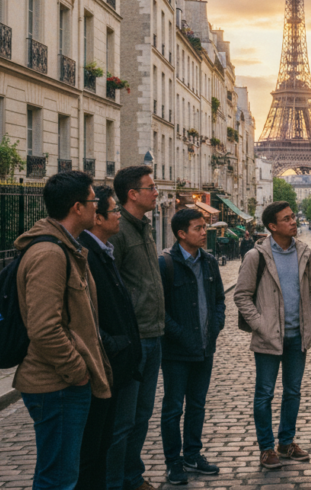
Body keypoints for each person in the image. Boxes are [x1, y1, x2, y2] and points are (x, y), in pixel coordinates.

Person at [13, 171, 112, 490]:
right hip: (57, 385)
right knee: (58, 478)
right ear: (77, 207)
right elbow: (44, 328)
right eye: (93, 200)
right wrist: (78, 371)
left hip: (61, 384)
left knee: (61, 473)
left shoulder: (64, 248)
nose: (97, 207)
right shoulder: (50, 254)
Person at [234, 201, 311, 470]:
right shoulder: (256, 256)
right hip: (269, 338)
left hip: (298, 336)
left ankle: (286, 442)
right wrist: (262, 325)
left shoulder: (304, 252)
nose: (294, 221)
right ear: (272, 226)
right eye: (287, 219)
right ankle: (266, 448)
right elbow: (241, 295)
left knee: (292, 392)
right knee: (265, 394)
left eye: (294, 217)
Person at [76, 186, 142, 490]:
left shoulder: (103, 252)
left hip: (117, 358)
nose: (119, 215)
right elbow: (79, 315)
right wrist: (114, 344)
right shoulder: (86, 255)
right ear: (97, 217)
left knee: (111, 436)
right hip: (106, 361)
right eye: (114, 211)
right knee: (100, 443)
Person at [158, 209, 226, 484]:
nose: (204, 232)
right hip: (176, 351)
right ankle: (173, 462)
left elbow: (220, 299)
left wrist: (216, 326)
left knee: (197, 405)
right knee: (173, 408)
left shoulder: (209, 262)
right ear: (181, 234)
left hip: (204, 347)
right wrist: (181, 335)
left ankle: (193, 454)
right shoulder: (165, 264)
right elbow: (159, 309)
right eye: (198, 228)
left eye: (204, 227)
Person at [109, 165, 165, 490]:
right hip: (133, 340)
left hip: (153, 335)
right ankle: (115, 481)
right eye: (151, 186)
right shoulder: (118, 233)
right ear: (133, 194)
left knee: (142, 415)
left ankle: (132, 476)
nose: (156, 191)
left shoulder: (146, 228)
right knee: (123, 421)